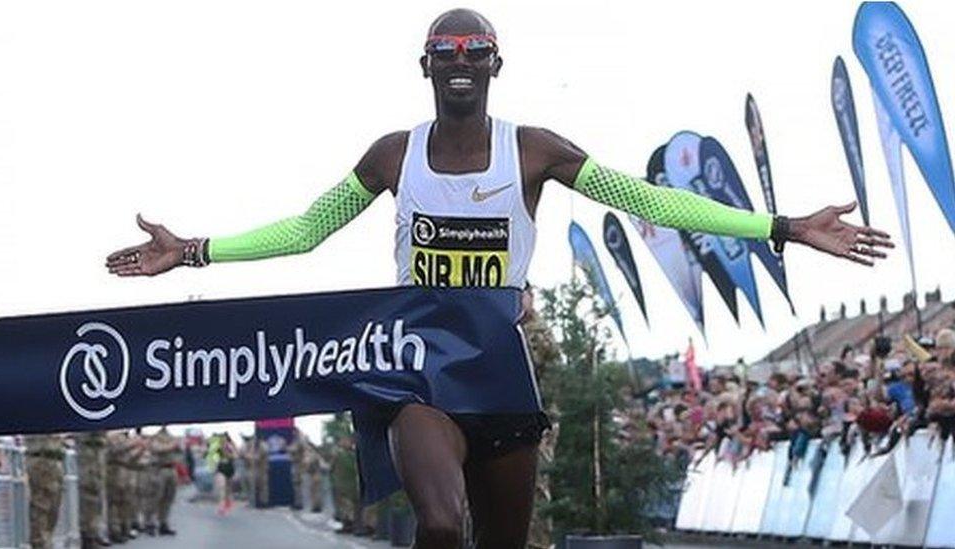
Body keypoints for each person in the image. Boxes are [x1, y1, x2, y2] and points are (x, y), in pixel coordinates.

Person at [104, 9, 893, 547]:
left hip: (506, 360)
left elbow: (648, 198)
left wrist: (779, 226)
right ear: (424, 66)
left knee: (506, 538)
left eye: (473, 52)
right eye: (444, 53)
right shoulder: (393, 155)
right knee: (442, 527)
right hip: (416, 363)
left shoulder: (533, 150)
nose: (459, 62)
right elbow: (308, 229)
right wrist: (195, 249)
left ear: (494, 65)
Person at [25, 434, 65, 549]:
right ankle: (40, 544)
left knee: (54, 507)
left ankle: (47, 541)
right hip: (40, 458)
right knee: (41, 507)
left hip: (56, 458)